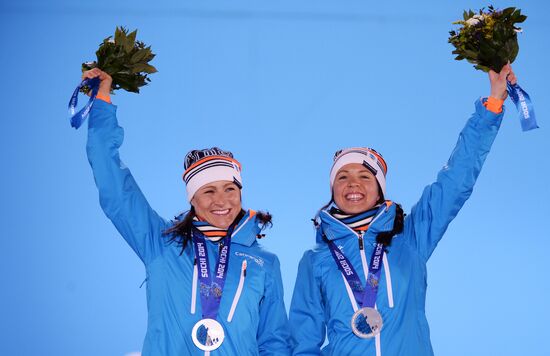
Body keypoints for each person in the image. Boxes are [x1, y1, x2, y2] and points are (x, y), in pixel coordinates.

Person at [289, 65, 517, 356]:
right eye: (342, 177)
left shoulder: (410, 239)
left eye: (364, 176)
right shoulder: (315, 261)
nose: (353, 184)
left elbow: (455, 183)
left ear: (380, 189)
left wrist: (493, 104)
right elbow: (302, 343)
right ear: (333, 190)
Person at [82, 68, 291, 355]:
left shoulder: (264, 263)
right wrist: (102, 100)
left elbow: (274, 341)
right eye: (208, 191)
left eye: (230, 190)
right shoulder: (162, 243)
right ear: (193, 199)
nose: (222, 201)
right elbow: (116, 189)